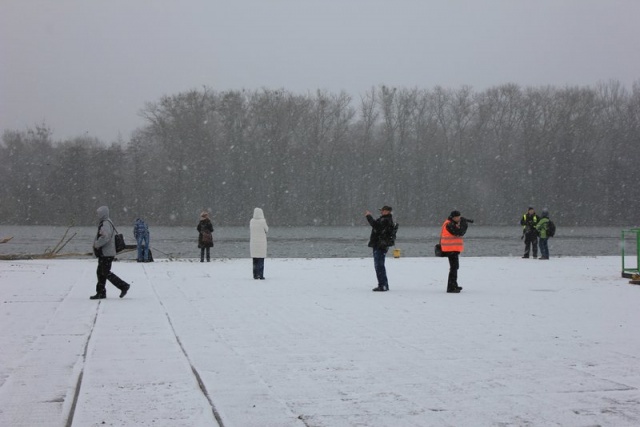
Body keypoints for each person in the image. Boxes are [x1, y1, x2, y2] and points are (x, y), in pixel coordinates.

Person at [91, 206, 131, 300]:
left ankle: (123, 286)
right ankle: (101, 292)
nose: (97, 215)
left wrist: (97, 244)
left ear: (103, 213)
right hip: (107, 253)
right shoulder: (107, 222)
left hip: (106, 253)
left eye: (99, 213)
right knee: (101, 272)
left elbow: (105, 237)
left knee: (104, 272)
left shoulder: (105, 223)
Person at [365, 205, 395, 292]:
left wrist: (368, 216)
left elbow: (375, 225)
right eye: (381, 210)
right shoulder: (385, 219)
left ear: (388, 211)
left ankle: (383, 285)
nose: (381, 212)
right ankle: (383, 285)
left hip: (380, 246)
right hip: (380, 245)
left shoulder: (385, 220)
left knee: (379, 266)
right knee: (379, 265)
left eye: (383, 210)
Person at [440, 210, 469, 293]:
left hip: (453, 249)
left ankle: (454, 285)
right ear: (453, 217)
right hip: (450, 249)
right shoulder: (449, 224)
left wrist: (462, 224)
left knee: (455, 267)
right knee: (454, 268)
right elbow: (459, 232)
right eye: (458, 217)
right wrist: (464, 224)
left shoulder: (451, 223)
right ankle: (451, 287)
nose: (459, 218)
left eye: (460, 217)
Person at [250, 207, 269, 279]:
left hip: (253, 243)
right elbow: (266, 230)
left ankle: (255, 275)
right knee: (261, 259)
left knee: (255, 260)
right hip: (261, 243)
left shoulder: (251, 221)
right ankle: (260, 275)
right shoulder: (263, 221)